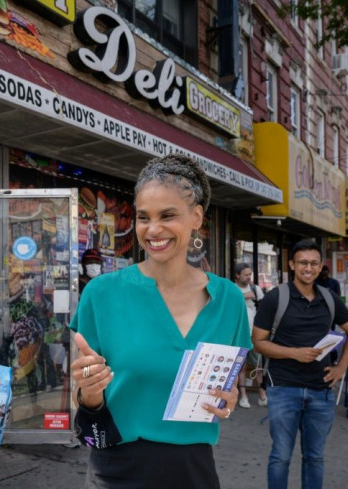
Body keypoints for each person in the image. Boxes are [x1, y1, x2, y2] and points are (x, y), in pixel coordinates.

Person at [69, 154, 251, 488]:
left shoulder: (229, 300)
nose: (153, 230)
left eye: (168, 215)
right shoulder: (102, 293)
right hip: (116, 470)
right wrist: (88, 390)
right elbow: (85, 401)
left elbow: (228, 386)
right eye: (143, 217)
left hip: (194, 468)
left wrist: (229, 398)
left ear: (196, 217)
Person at [252, 239, 348, 489]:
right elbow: (258, 342)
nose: (308, 268)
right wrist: (294, 353)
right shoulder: (275, 298)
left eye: (313, 263)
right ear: (292, 265)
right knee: (280, 457)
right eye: (302, 263)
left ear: (321, 265)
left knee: (315, 457)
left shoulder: (329, 298)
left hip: (320, 390)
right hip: (282, 388)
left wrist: (341, 367)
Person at [234, 262, 267, 408]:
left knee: (258, 365)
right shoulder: (232, 289)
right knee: (240, 366)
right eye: (246, 275)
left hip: (254, 332)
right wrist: (244, 296)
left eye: (250, 274)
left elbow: (264, 307)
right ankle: (243, 396)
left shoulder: (256, 289)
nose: (249, 277)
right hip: (238, 333)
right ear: (237, 275)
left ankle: (262, 395)